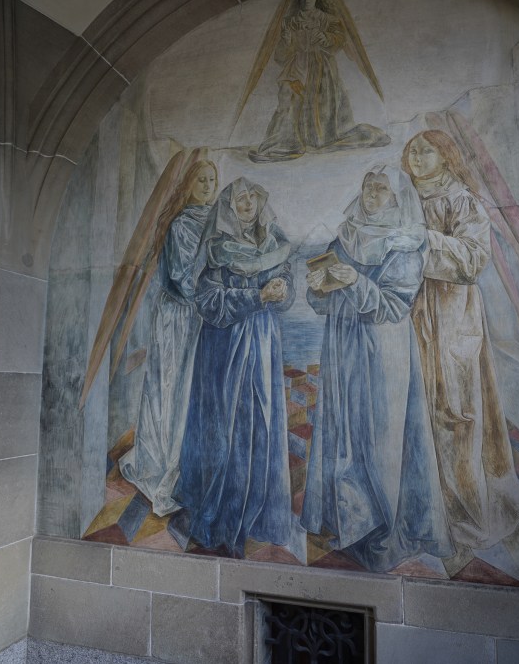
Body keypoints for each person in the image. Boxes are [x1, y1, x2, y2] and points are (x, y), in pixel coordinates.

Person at [300, 166, 453, 572]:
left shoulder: (404, 245)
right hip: (343, 348)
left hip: (384, 353)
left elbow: (393, 307)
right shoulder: (345, 238)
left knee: (382, 437)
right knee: (345, 431)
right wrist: (318, 287)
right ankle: (348, 522)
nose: (372, 194)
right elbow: (324, 300)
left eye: (381, 189)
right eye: (369, 186)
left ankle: (384, 529)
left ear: (397, 198)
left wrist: (354, 282)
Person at [401, 131, 519, 570]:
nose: (418, 157)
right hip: (407, 317)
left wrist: (423, 240)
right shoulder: (402, 198)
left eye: (427, 150)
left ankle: (466, 520)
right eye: (413, 151)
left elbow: (474, 260)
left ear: (445, 156)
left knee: (456, 414)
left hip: (452, 315)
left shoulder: (461, 200)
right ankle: (426, 517)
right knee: (414, 415)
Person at [174, 178, 295, 555]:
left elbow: (286, 288)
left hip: (262, 344)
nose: (247, 204)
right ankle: (221, 514)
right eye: (240, 199)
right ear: (228, 207)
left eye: (252, 198)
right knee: (225, 432)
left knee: (260, 424)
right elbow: (208, 301)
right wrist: (256, 296)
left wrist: (282, 290)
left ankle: (257, 512)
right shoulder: (217, 246)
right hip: (224, 352)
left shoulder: (273, 241)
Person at [118, 160, 219, 517]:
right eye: (201, 180)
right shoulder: (180, 225)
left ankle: (191, 466)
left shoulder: (216, 220)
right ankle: (164, 465)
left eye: (211, 180)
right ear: (189, 185)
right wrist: (214, 295)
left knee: (192, 390)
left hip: (199, 315)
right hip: (178, 317)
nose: (207, 186)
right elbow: (181, 278)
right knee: (171, 387)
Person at [248, 0, 389, 162]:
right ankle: (286, 143)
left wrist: (326, 38)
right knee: (287, 100)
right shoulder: (289, 23)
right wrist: (286, 41)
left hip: (320, 68)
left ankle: (313, 140)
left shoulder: (328, 20)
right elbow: (280, 57)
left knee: (320, 109)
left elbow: (339, 40)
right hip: (296, 68)